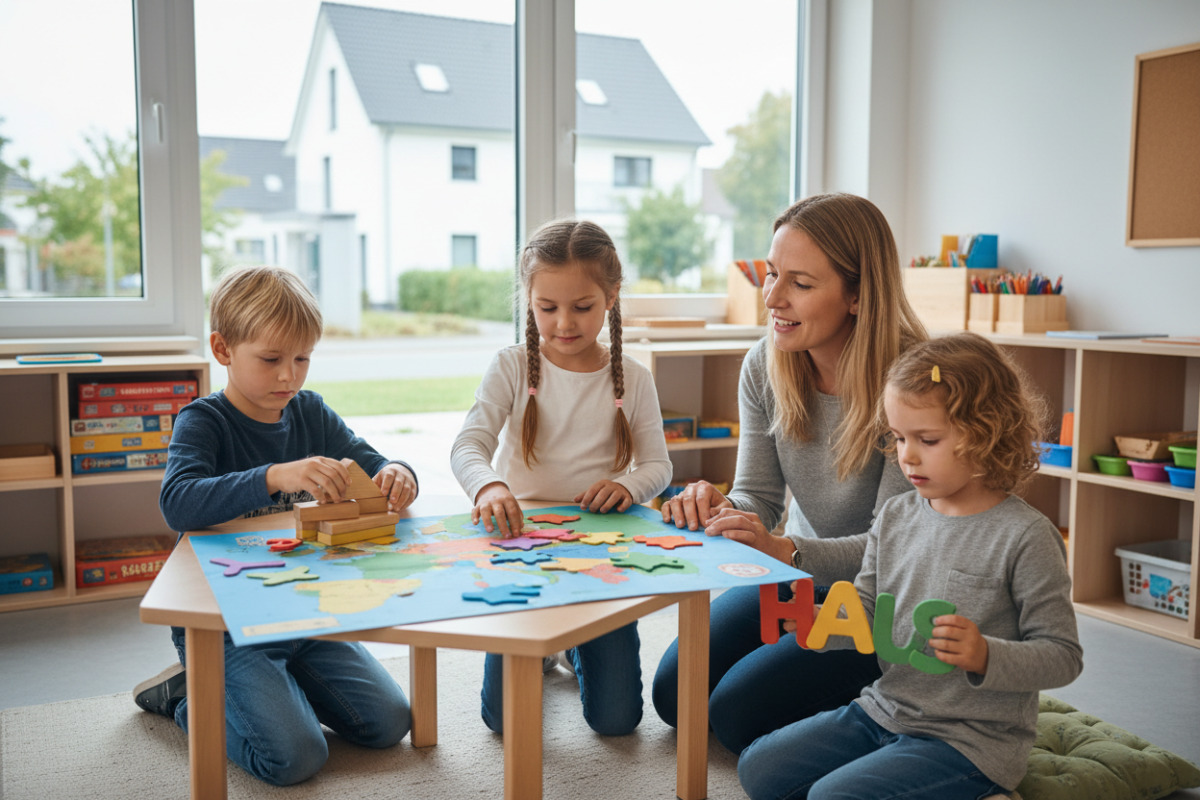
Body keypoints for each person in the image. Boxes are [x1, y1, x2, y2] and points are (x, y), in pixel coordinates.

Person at [738, 331, 1083, 799]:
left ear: (987, 431)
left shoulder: (1026, 536)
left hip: (971, 741)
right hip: (887, 708)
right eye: (899, 438)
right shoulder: (897, 516)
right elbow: (865, 612)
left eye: (928, 439)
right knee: (759, 769)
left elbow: (1063, 656)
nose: (908, 456)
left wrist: (986, 654)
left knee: (829, 797)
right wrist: (815, 625)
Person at [653, 192, 927, 754]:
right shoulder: (765, 363)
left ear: (857, 295)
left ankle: (898, 704)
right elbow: (759, 497)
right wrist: (723, 510)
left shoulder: (915, 382)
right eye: (772, 274)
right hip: (800, 578)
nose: (772, 298)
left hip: (887, 599)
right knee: (673, 696)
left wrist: (787, 553)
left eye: (800, 283)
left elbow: (894, 546)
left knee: (733, 717)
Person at [133, 265, 419, 786]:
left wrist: (397, 473)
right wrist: (273, 476)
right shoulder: (203, 420)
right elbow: (178, 502)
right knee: (295, 758)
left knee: (389, 723)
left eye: (302, 358)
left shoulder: (309, 411)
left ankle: (277, 689)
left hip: (303, 612)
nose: (289, 376)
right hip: (224, 626)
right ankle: (186, 698)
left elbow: (372, 462)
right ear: (223, 350)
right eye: (271, 359)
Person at [450, 218, 672, 736]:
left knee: (617, 722)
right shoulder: (511, 366)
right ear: (528, 298)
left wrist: (626, 486)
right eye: (547, 308)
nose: (564, 323)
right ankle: (550, 641)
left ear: (611, 297)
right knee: (504, 721)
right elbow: (469, 445)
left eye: (582, 307)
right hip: (518, 543)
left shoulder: (633, 377)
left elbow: (659, 466)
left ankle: (569, 641)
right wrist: (490, 485)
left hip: (600, 549)